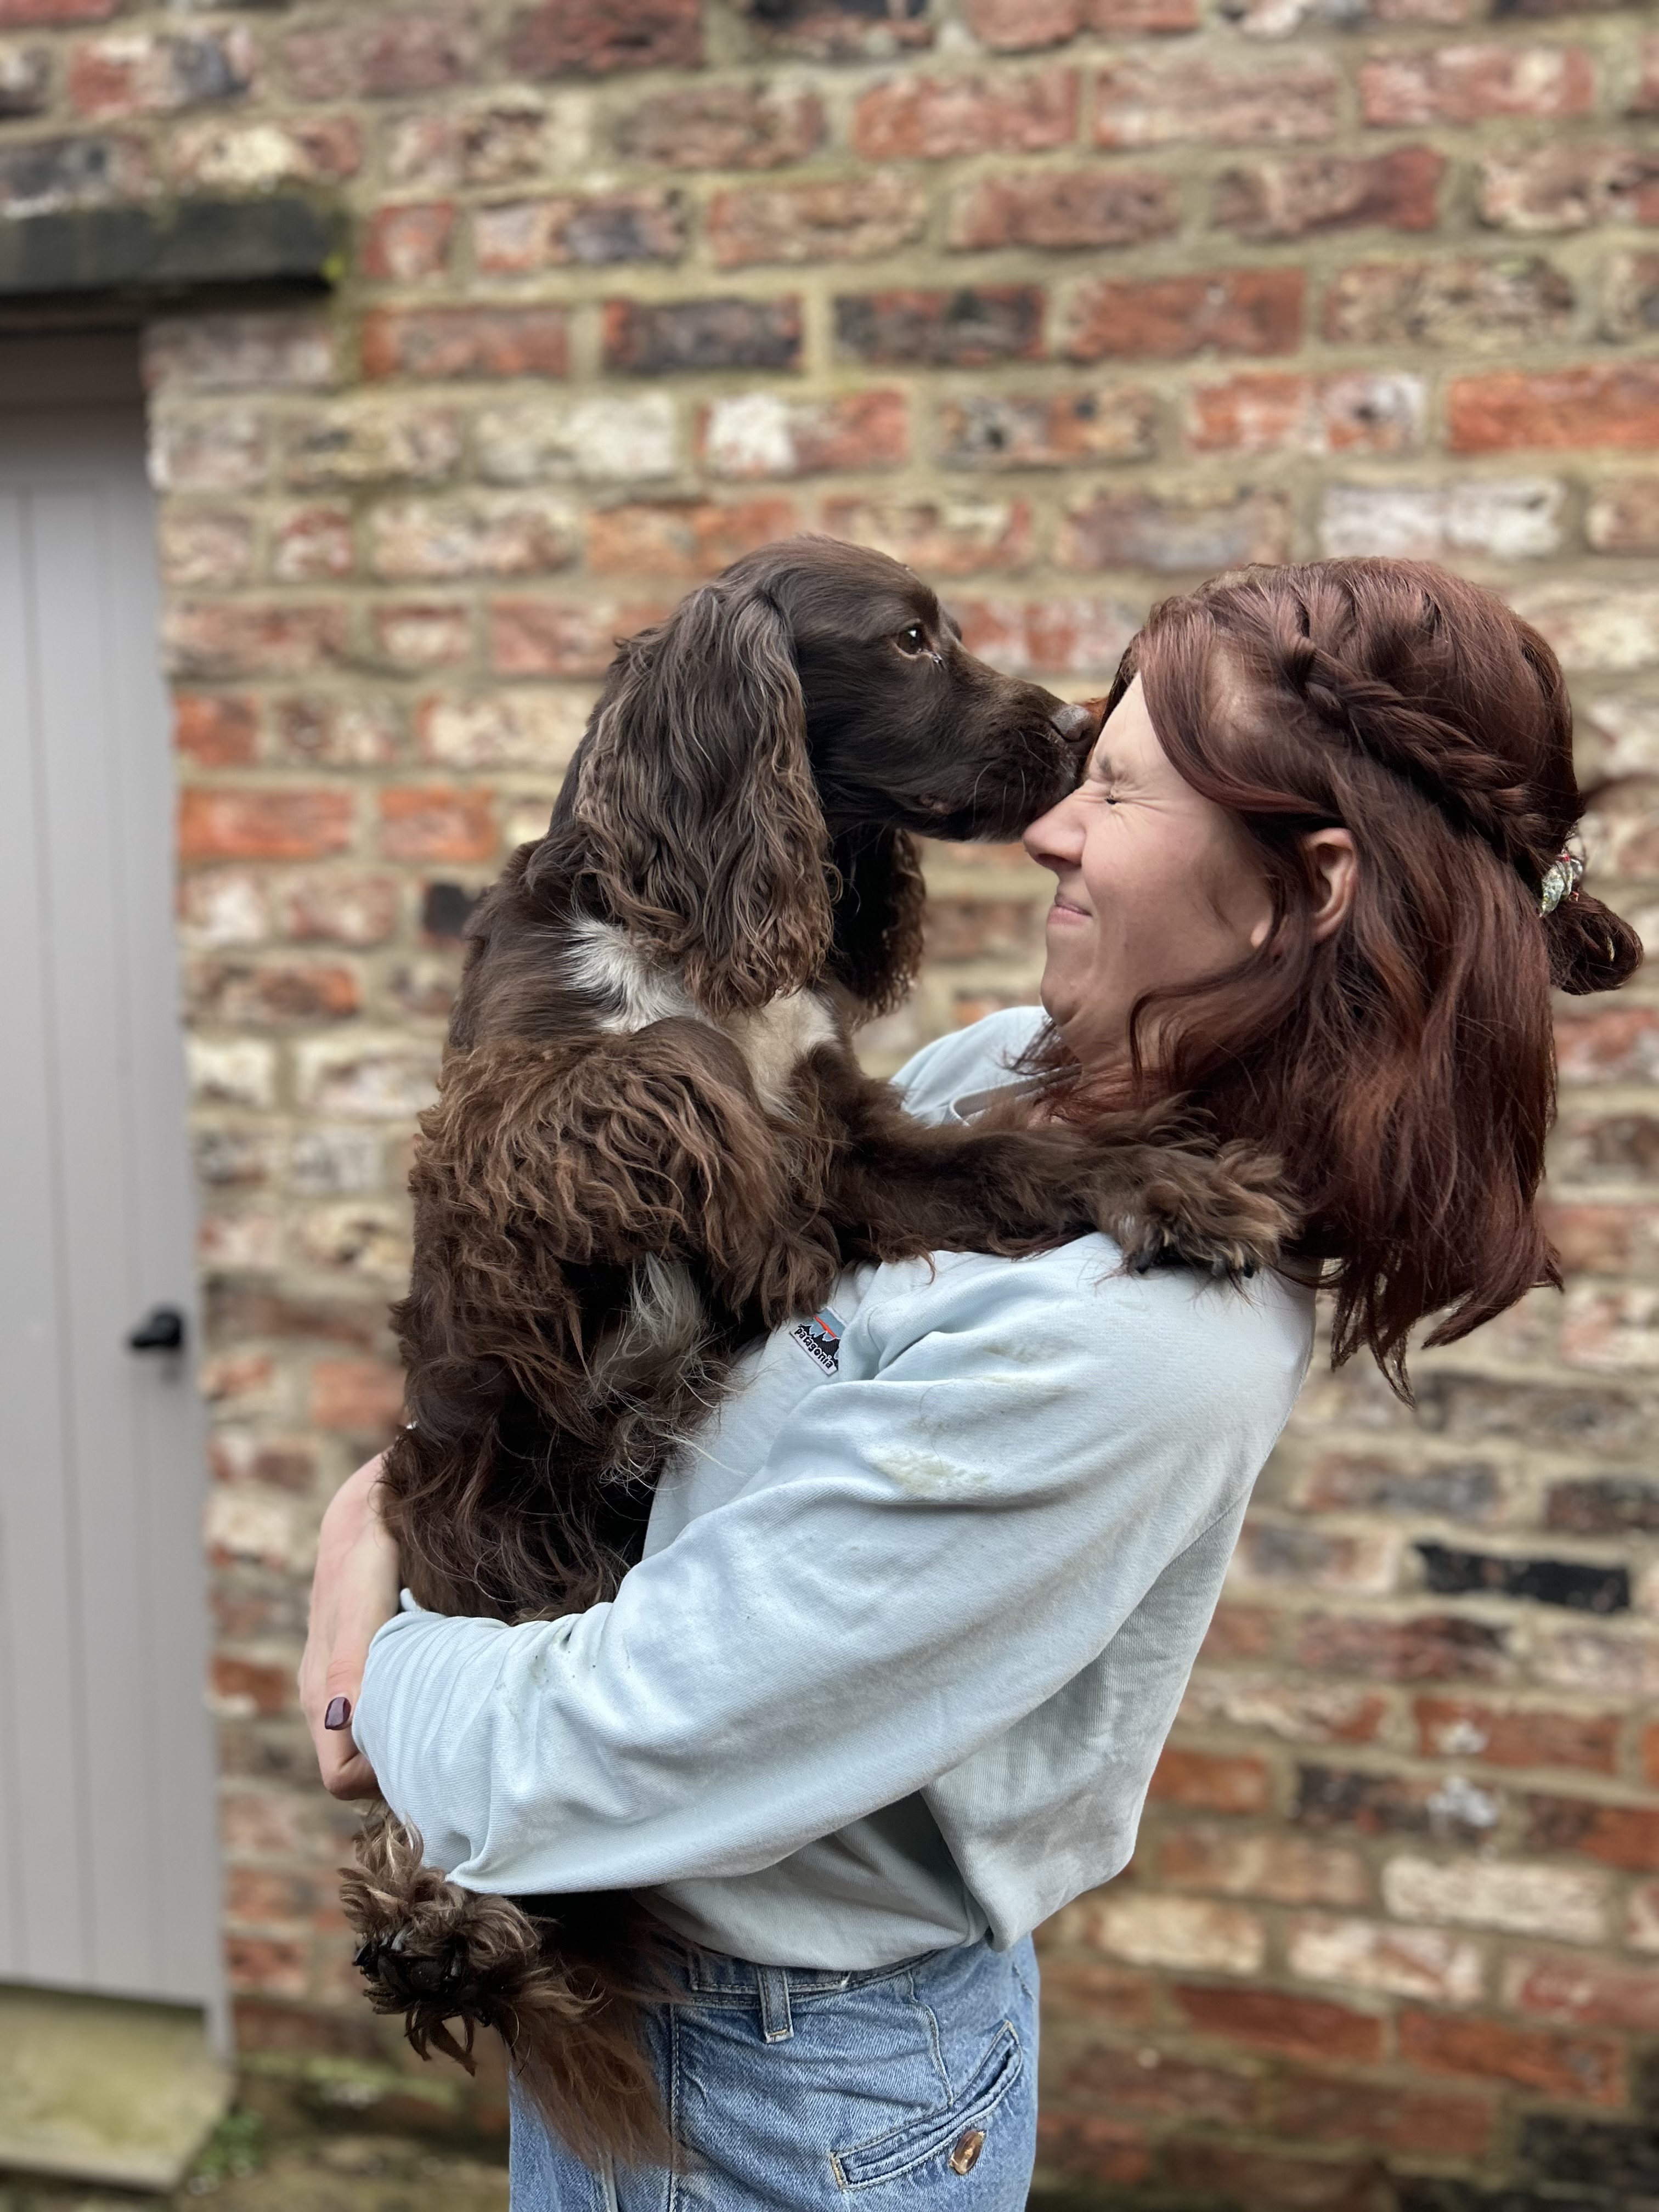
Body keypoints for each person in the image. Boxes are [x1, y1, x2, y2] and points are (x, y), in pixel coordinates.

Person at [300, 558, 1640, 2210]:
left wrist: (368, 1650)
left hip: (791, 2096)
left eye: (1120, 788)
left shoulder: (1137, 1345)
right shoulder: (1009, 1077)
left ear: (1311, 887)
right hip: (678, 2015)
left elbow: (586, 1759)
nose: (1052, 823)